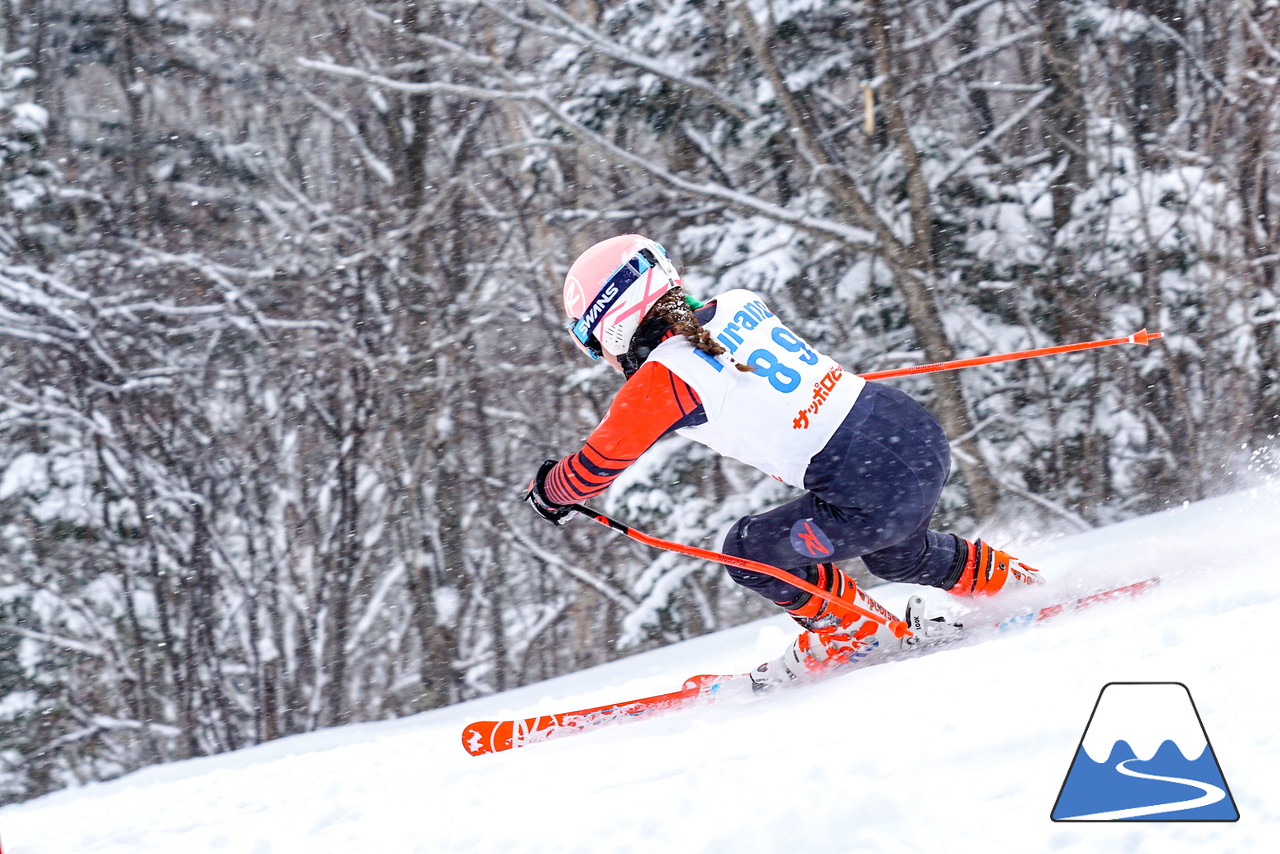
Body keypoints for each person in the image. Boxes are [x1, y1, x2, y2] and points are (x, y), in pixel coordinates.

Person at [525, 234, 1042, 687]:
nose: (602, 359)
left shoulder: (661, 381)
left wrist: (550, 491)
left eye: (592, 343)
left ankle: (856, 634)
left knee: (750, 550)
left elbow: (595, 466)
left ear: (612, 322)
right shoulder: (737, 303)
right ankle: (1011, 586)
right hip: (913, 434)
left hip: (870, 486)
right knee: (897, 555)